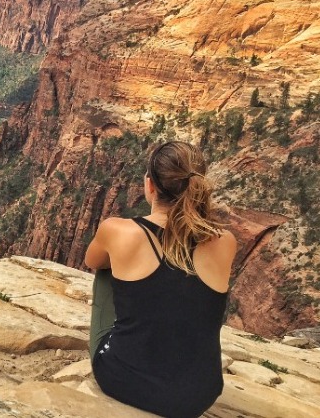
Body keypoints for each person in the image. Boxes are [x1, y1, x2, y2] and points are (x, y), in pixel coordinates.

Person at [84, 141, 237, 418]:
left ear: (150, 185)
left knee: (106, 271)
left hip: (122, 381)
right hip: (198, 397)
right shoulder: (225, 241)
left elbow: (91, 262)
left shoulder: (117, 230)